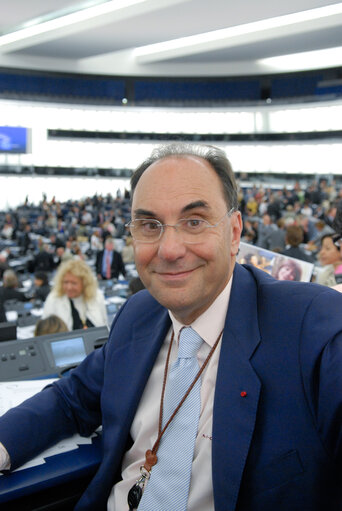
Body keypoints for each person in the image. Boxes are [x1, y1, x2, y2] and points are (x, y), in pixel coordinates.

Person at [0, 143, 341, 511]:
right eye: (149, 225)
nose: (170, 249)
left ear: (234, 231)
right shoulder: (139, 314)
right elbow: (72, 399)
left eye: (194, 221)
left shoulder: (314, 328)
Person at [42, 258, 108, 330]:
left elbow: (104, 325)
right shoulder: (53, 299)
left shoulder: (96, 296)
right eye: (66, 282)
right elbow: (45, 331)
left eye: (74, 283)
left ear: (84, 283)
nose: (69, 287)